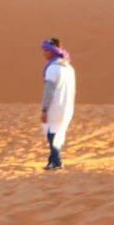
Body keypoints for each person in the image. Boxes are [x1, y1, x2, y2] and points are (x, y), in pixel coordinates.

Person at [40, 38, 76, 171]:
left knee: (51, 133)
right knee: (57, 132)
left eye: (46, 50)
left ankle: (57, 161)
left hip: (55, 106)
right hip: (68, 107)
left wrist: (44, 109)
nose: (44, 53)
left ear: (52, 51)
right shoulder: (69, 68)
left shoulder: (53, 69)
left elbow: (48, 90)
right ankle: (52, 159)